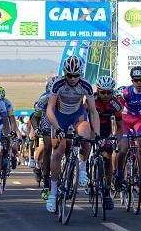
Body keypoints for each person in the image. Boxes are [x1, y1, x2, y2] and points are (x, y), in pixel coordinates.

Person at [45, 55, 100, 213]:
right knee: (57, 153)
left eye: (76, 75)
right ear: (65, 74)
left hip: (77, 115)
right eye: (69, 75)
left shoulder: (86, 85)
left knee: (86, 134)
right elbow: (49, 109)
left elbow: (94, 112)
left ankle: (82, 167)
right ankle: (53, 194)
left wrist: (96, 134)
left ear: (80, 74)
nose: (73, 78)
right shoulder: (58, 84)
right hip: (60, 117)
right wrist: (58, 128)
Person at [115, 66, 141, 194]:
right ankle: (119, 173)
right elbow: (118, 110)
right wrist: (116, 128)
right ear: (132, 80)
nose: (138, 83)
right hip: (125, 119)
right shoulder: (126, 92)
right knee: (123, 148)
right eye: (136, 80)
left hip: (138, 119)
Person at [93, 75, 123, 210]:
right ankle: (87, 173)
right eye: (102, 92)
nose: (105, 95)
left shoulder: (115, 104)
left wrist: (116, 138)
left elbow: (120, 127)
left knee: (107, 158)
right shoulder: (91, 100)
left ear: (113, 92)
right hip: (92, 127)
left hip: (106, 130)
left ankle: (106, 191)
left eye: (109, 92)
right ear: (97, 91)